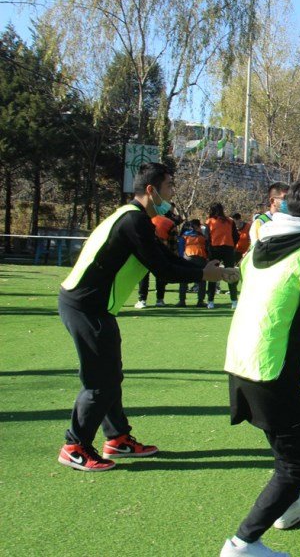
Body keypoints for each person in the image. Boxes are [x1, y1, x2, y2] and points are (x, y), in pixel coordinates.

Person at [57, 163, 237, 472]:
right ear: (151, 190)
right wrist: (205, 275)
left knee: (110, 376)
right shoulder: (133, 221)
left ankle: (117, 438)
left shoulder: (136, 218)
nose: (173, 193)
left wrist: (208, 269)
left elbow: (166, 257)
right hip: (85, 306)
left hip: (94, 307)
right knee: (100, 382)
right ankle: (75, 446)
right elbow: (163, 270)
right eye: (169, 186)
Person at [221, 176, 300, 557]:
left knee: (285, 451)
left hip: (241, 362)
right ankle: (242, 544)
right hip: (271, 371)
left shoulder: (260, 242)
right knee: (299, 462)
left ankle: (289, 505)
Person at [135, 211, 177, 308]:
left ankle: (142, 300)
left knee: (144, 276)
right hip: (161, 251)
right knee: (160, 275)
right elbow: (173, 242)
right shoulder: (170, 223)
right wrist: (173, 256)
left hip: (145, 250)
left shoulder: (146, 219)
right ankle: (160, 299)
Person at [207, 203, 240, 309]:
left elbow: (207, 238)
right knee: (230, 274)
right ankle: (234, 301)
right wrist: (231, 245)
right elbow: (236, 236)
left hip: (214, 249)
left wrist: (208, 251)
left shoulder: (209, 221)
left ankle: (210, 301)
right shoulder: (230, 221)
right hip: (228, 249)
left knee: (212, 275)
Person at [178, 219, 209, 307]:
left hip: (187, 257)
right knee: (202, 279)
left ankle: (182, 301)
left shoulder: (184, 236)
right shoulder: (202, 237)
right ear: (198, 226)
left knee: (183, 279)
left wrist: (181, 259)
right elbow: (207, 248)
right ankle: (200, 301)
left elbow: (181, 249)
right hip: (200, 258)